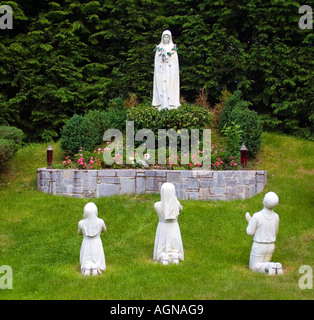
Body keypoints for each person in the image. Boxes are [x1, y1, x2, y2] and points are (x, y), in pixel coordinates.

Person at [245, 191, 283, 275]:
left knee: (254, 266)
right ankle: (276, 266)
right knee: (265, 262)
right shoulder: (276, 216)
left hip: (259, 245)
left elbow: (250, 232)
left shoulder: (257, 216)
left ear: (264, 201)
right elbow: (275, 232)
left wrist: (250, 222)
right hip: (271, 245)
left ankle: (270, 266)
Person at [153, 182, 184, 265]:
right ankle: (175, 255)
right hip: (174, 228)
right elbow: (180, 209)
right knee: (174, 242)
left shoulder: (157, 205)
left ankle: (163, 255)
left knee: (162, 244)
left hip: (162, 228)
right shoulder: (177, 204)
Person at [152, 30, 181, 110]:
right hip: (161, 71)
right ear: (162, 38)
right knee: (161, 87)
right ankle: (161, 104)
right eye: (164, 37)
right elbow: (157, 61)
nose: (166, 39)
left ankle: (171, 105)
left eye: (167, 37)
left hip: (170, 71)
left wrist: (168, 60)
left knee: (170, 87)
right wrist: (161, 59)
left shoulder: (173, 48)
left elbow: (175, 62)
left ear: (170, 38)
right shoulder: (159, 48)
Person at [78, 202, 106, 275]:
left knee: (86, 256)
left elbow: (79, 233)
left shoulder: (81, 223)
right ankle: (96, 266)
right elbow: (104, 230)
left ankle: (86, 267)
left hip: (86, 243)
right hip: (97, 242)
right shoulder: (101, 221)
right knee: (97, 256)